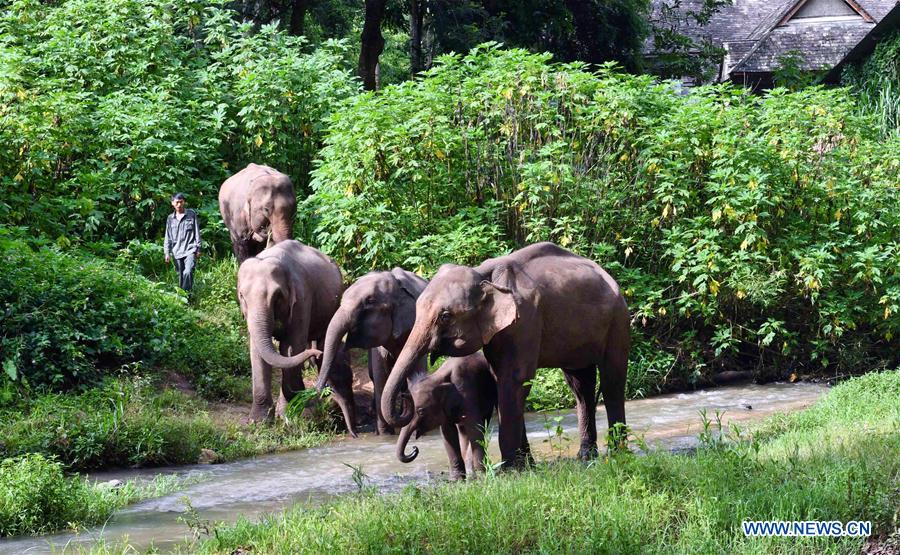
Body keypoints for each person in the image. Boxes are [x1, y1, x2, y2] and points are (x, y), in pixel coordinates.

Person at [163, 192, 201, 294]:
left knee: (188, 272)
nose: (179, 205)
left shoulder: (191, 214)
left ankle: (186, 297)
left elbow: (196, 231)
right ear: (172, 203)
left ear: (184, 202)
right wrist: (166, 252)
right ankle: (182, 299)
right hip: (176, 251)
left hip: (190, 249)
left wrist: (198, 248)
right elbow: (168, 236)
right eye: (177, 202)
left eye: (181, 202)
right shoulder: (170, 218)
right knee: (180, 276)